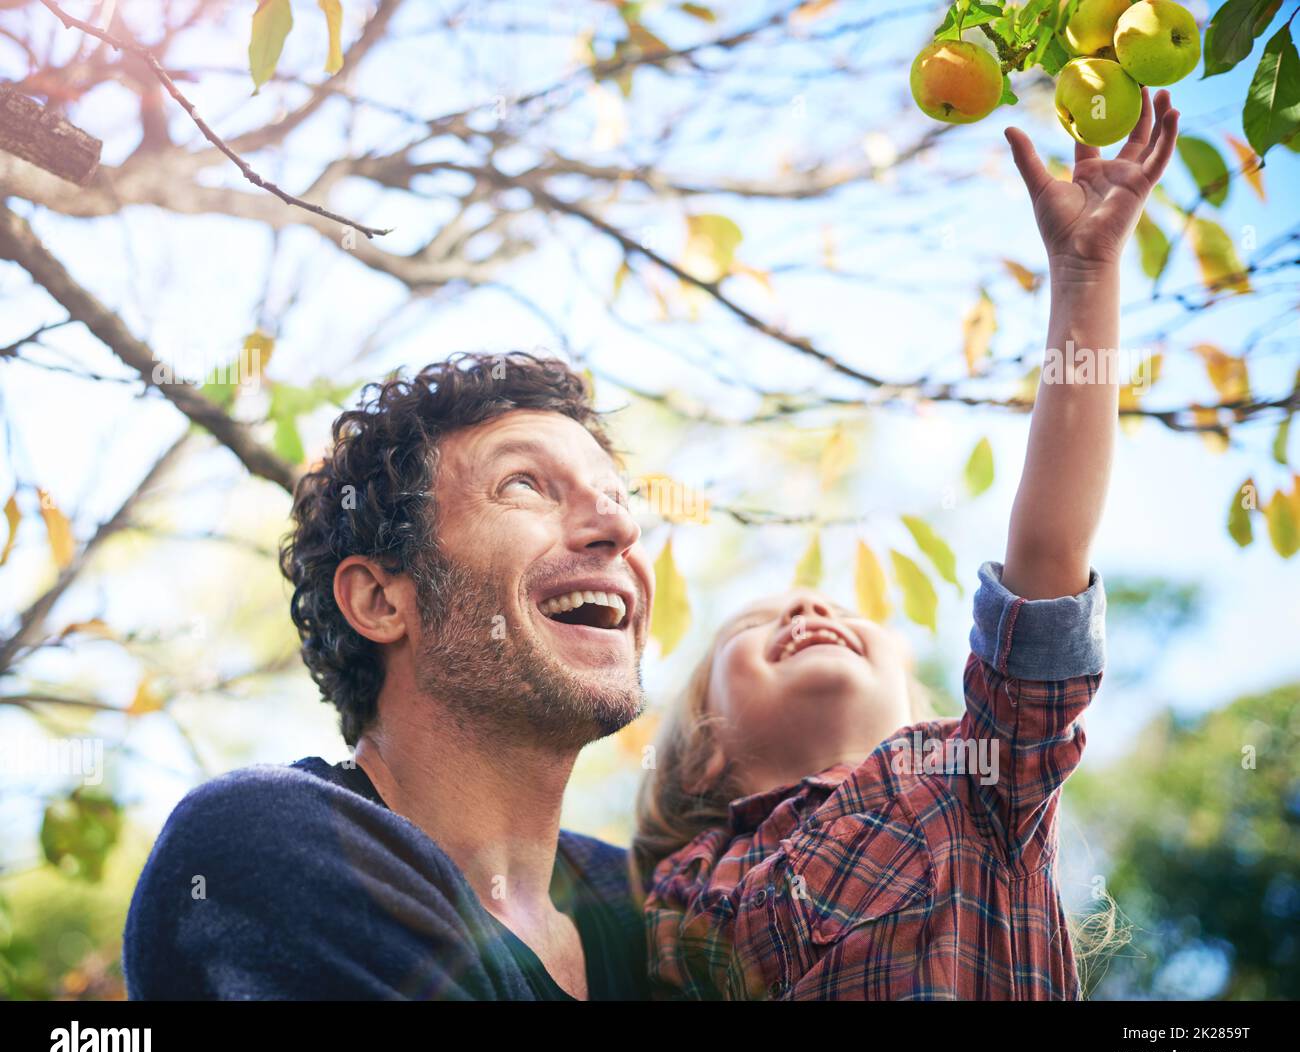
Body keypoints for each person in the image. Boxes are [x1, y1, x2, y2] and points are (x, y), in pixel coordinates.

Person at [630, 90, 1179, 1000]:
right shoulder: (678, 896)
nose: (809, 605)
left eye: (841, 611)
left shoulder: (967, 780)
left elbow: (1045, 563)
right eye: (757, 622)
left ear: (922, 711)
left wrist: (1085, 279)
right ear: (704, 753)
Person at [123, 352, 656, 999]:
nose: (620, 526)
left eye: (619, 497)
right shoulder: (272, 845)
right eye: (523, 484)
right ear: (380, 600)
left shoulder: (649, 908)